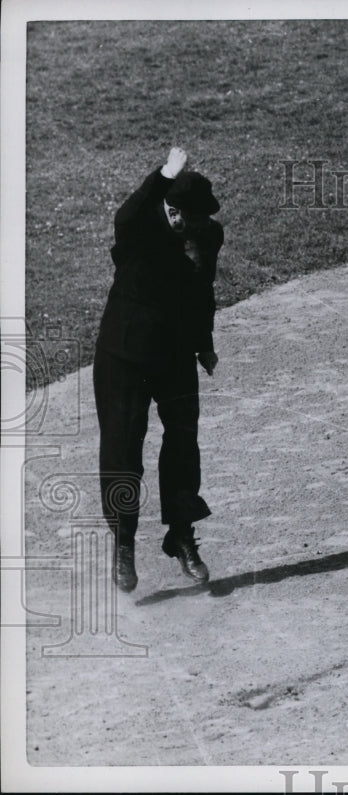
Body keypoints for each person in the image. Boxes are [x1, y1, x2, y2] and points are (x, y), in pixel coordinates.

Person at [94, 146, 223, 592]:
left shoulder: (207, 235)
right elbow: (127, 213)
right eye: (195, 216)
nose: (203, 224)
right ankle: (124, 544)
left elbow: (202, 292)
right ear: (173, 211)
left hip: (175, 354)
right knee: (122, 449)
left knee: (184, 440)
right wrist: (165, 173)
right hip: (124, 356)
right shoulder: (141, 228)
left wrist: (204, 345)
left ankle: (182, 535)